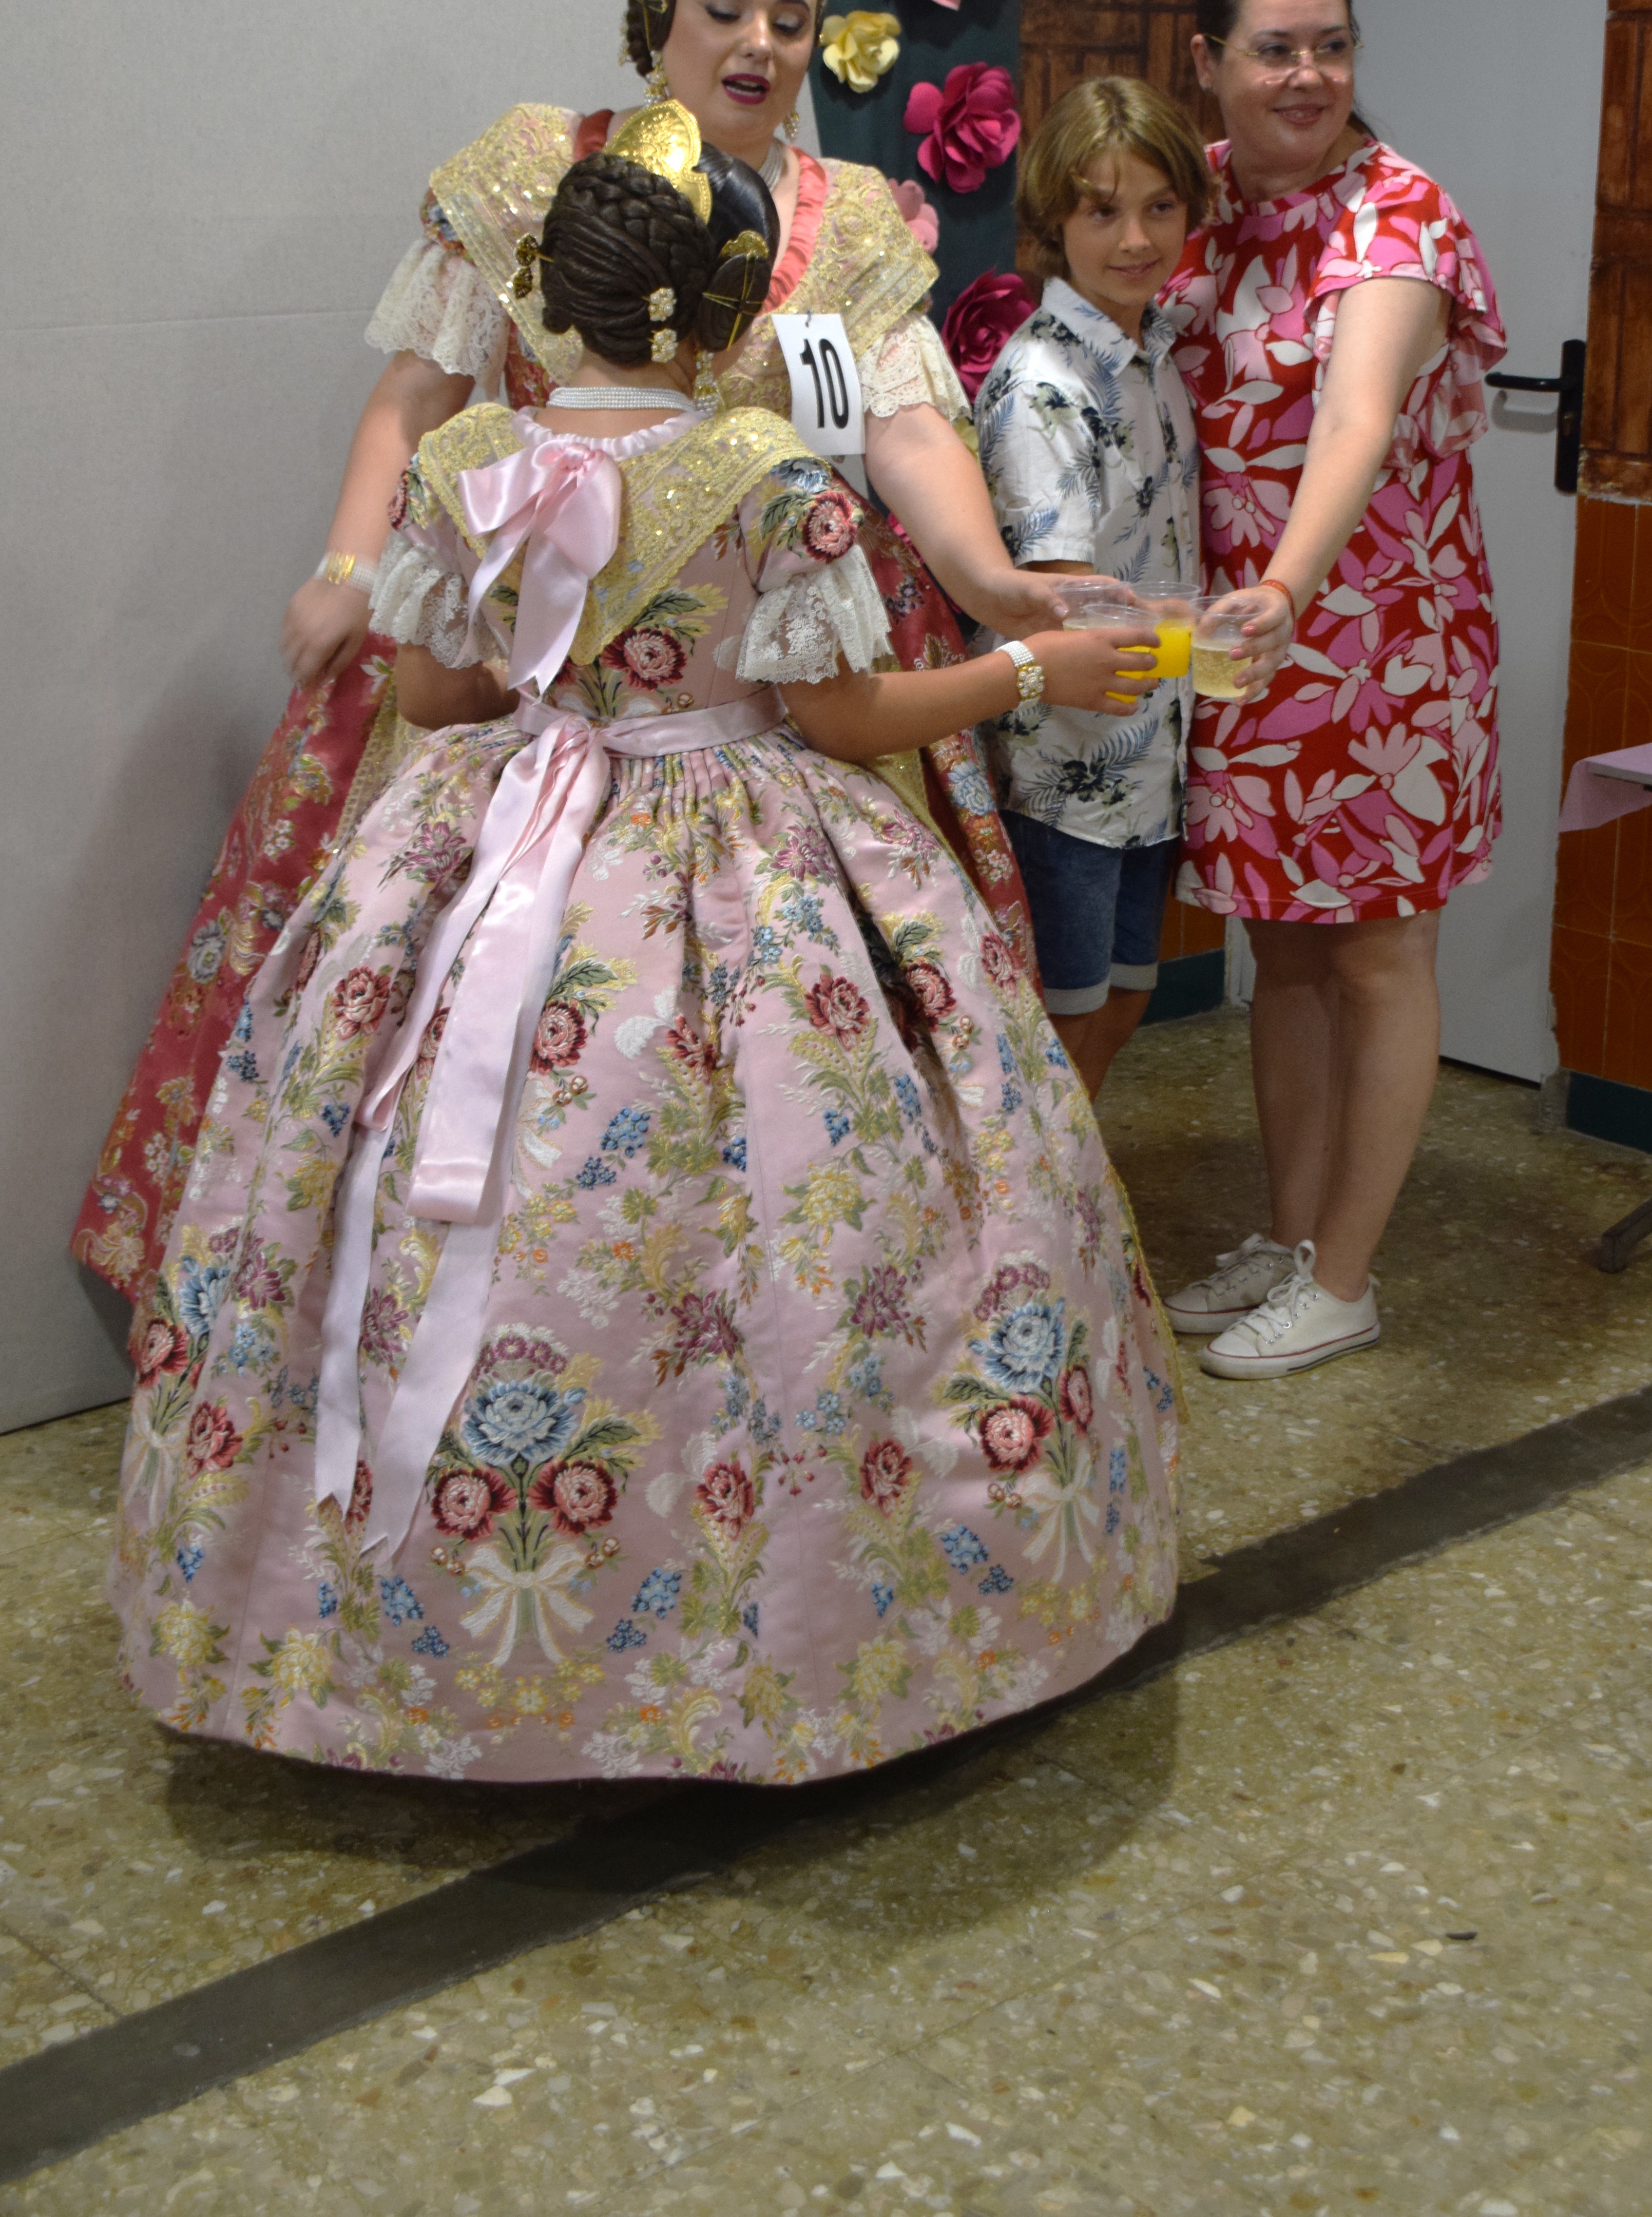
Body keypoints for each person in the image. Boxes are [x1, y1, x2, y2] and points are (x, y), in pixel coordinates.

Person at [110, 110, 1178, 1784]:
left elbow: (429, 693)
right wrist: (1032, 674)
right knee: (780, 1201)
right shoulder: (769, 481)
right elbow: (843, 719)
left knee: (405, 1167)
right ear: (726, 309)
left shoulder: (473, 464)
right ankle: (795, 1624)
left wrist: (558, 681)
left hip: (493, 840)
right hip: (738, 841)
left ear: (551, 301)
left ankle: (367, 1622)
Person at [74, 0, 1054, 1304]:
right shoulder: (539, 169)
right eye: (726, 9)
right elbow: (415, 399)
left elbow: (904, 429)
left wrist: (990, 580)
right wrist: (352, 566)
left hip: (759, 658)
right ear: (659, 11)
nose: (759, 44)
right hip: (522, 653)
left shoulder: (848, 221)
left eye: (791, 22)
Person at [1158, 0, 1503, 1381]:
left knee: (1377, 949)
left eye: (1331, 46)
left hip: (1383, 655)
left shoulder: (1399, 214)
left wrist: (1282, 589)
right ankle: (1289, 1241)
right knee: (1283, 945)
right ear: (1209, 63)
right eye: (1274, 49)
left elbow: (1355, 419)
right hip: (1244, 646)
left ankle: (1346, 1278)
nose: (1307, 75)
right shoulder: (1197, 202)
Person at [977, 78, 1210, 1098]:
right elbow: (1063, 597)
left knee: (1119, 1002)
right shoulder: (1042, 383)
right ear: (1053, 221)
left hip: (1149, 748)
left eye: (1160, 207)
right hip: (1061, 770)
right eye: (1103, 211)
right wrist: (1201, 628)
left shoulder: (1155, 358)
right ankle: (1032, 1200)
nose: (1135, 238)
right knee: (1057, 1024)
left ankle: (1075, 1190)